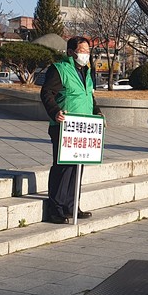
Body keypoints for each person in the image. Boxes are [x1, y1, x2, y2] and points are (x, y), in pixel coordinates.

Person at [40, 36, 102, 224]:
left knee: (78, 167)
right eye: (82, 51)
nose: (85, 54)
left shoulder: (88, 73)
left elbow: (89, 97)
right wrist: (55, 112)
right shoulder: (59, 69)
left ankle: (71, 205)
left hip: (84, 127)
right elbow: (46, 93)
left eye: (87, 51)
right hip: (64, 126)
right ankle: (55, 209)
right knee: (63, 167)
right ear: (70, 52)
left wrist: (98, 113)